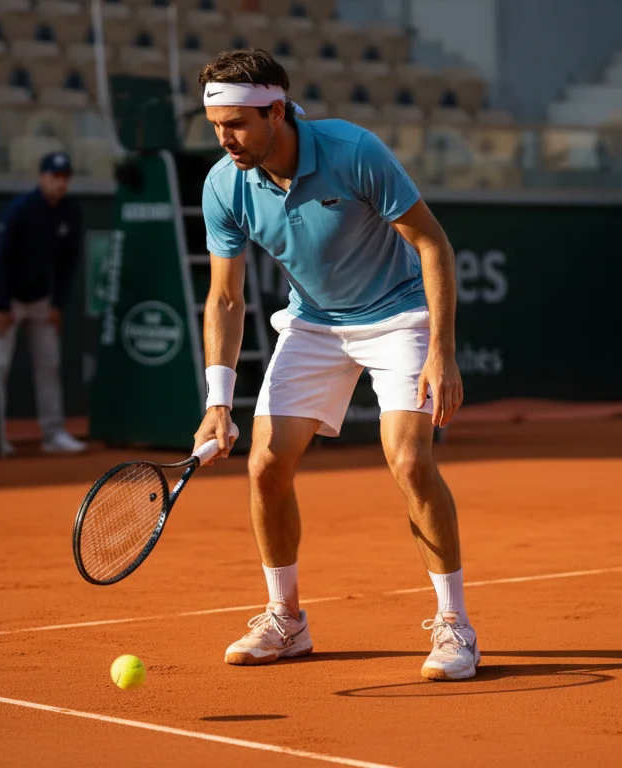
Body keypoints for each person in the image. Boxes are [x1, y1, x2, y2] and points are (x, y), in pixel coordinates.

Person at [193, 49, 477, 681]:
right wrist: (217, 401)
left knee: (409, 460)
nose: (224, 138)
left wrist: (442, 352)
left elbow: (433, 243)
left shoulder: (354, 151)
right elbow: (226, 296)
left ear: (276, 111)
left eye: (236, 123)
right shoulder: (222, 183)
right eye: (216, 125)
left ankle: (455, 624)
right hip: (315, 322)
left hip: (399, 314)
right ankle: (286, 620)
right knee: (266, 464)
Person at [0, 151, 86, 455]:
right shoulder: (21, 209)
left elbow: (68, 264)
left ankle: (53, 434)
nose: (60, 183)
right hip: (5, 296)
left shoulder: (70, 213)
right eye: (54, 176)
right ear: (42, 177)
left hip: (41, 299)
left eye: (65, 177)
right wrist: (2, 306)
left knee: (49, 364)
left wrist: (58, 304)